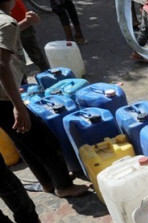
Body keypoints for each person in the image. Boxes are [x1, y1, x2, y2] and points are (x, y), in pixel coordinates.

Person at [0, 0, 89, 198]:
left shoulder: (6, 22)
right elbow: (2, 65)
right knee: (44, 141)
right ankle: (63, 186)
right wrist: (18, 106)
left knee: (23, 142)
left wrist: (24, 23)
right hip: (5, 97)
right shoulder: (6, 21)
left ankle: (47, 183)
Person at [11, 0, 49, 75]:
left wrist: (28, 20)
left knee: (36, 54)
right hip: (9, 29)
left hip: (24, 23)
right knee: (16, 62)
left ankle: (47, 75)